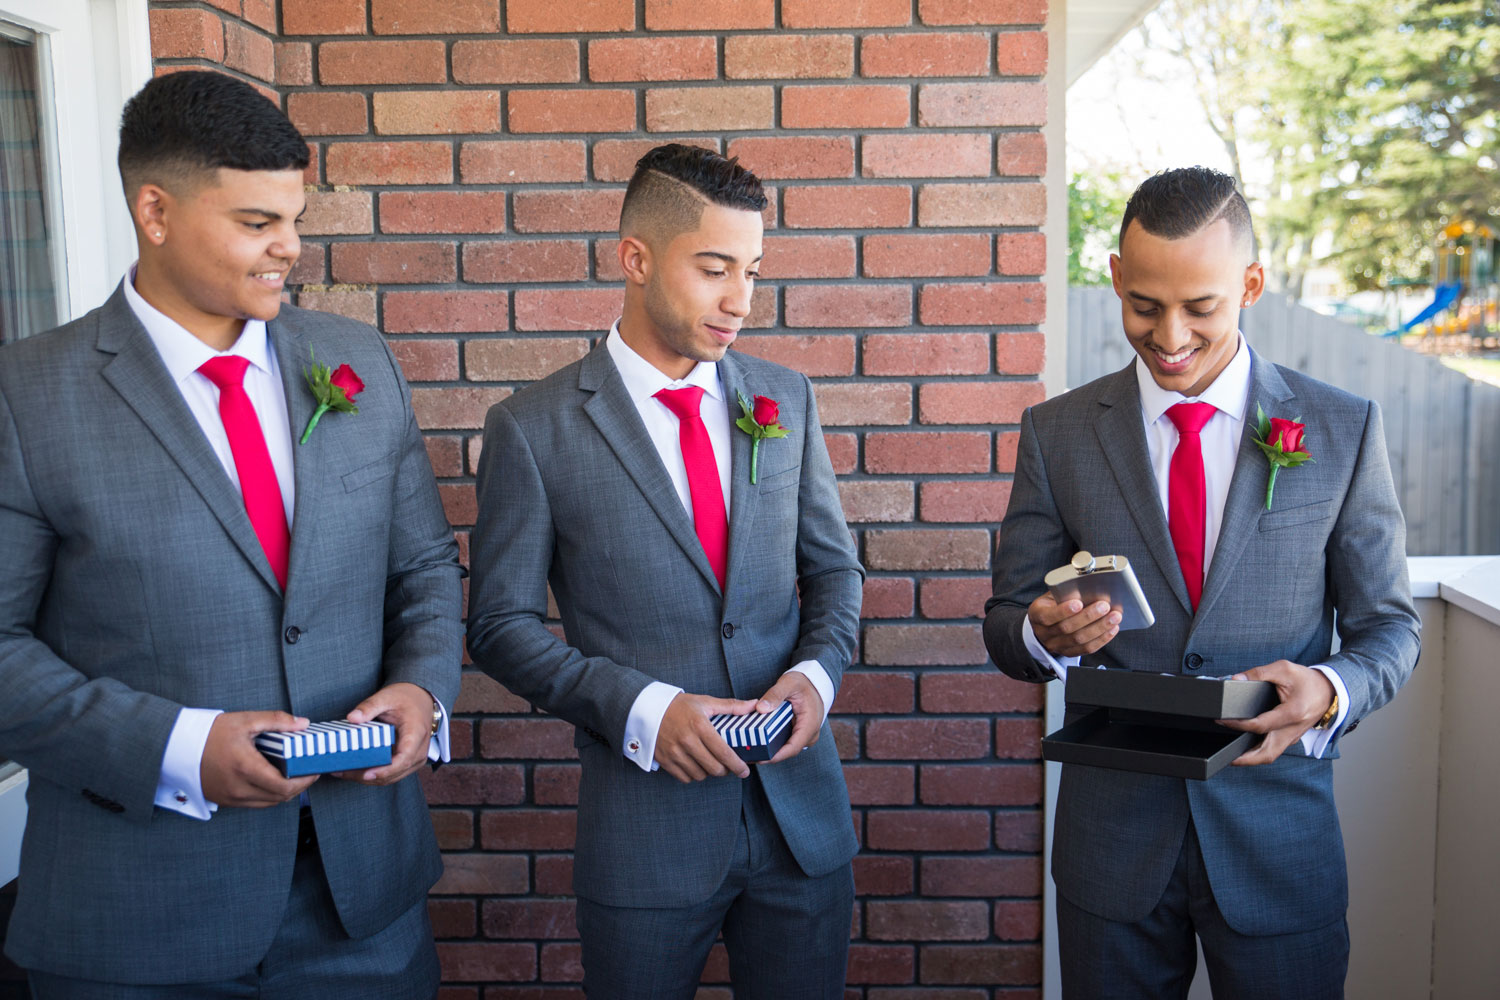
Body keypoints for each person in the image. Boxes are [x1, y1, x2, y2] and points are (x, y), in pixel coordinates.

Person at [0, 71, 463, 998]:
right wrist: (178, 748)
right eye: (257, 223)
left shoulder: (354, 360)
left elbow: (423, 568)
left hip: (361, 910)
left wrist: (421, 691)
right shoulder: (26, 395)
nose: (289, 248)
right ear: (156, 211)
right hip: (135, 922)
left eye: (294, 217)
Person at [984, 167, 1419, 999]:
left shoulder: (1342, 428)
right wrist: (1041, 633)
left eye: (1201, 308)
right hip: (1111, 849)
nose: (1169, 334)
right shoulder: (1058, 433)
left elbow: (1390, 629)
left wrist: (1328, 688)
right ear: (1115, 277)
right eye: (1144, 305)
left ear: (1251, 284)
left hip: (1277, 841)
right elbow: (1006, 621)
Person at [466, 143, 863, 999]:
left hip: (802, 821)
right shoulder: (532, 429)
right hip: (644, 837)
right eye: (715, 268)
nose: (740, 302)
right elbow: (497, 627)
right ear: (636, 259)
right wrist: (644, 709)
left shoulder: (784, 399)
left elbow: (835, 576)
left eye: (753, 271)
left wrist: (815, 680)